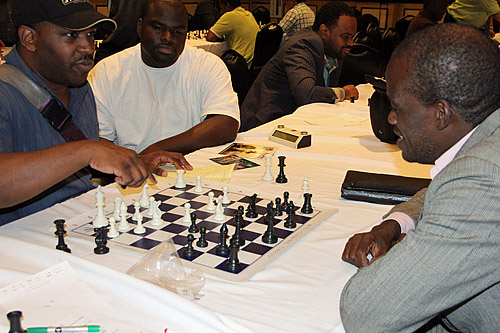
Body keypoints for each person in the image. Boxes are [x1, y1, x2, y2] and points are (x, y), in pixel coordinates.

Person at [340, 23, 500, 331]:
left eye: (398, 106)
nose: (391, 118)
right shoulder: (486, 138)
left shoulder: (485, 178)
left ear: (441, 113)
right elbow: (452, 182)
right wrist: (396, 224)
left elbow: (366, 313)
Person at [0, 0, 191, 225]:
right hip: (21, 244)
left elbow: (76, 152)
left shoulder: (79, 86)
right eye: (71, 35)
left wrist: (129, 162)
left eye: (90, 35)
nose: (88, 48)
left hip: (80, 222)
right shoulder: (5, 93)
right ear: (29, 38)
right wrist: (87, 151)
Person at [89, 0, 240, 156]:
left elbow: (226, 124)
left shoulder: (207, 64)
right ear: (140, 27)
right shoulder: (107, 72)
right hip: (130, 171)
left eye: (178, 31)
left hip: (191, 170)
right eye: (158, 28)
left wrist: (155, 151)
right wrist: (137, 162)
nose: (168, 37)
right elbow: (96, 141)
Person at [239, 1, 358, 132]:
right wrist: (342, 92)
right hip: (263, 127)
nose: (350, 43)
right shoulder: (304, 44)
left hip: (292, 123)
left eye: (352, 37)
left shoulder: (334, 51)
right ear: (324, 31)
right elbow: (306, 94)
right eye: (345, 37)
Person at [205, 0, 259, 68]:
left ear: (227, 6)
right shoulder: (249, 14)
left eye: (221, 8)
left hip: (238, 64)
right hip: (252, 63)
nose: (220, 12)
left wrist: (220, 37)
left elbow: (210, 37)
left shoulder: (229, 16)